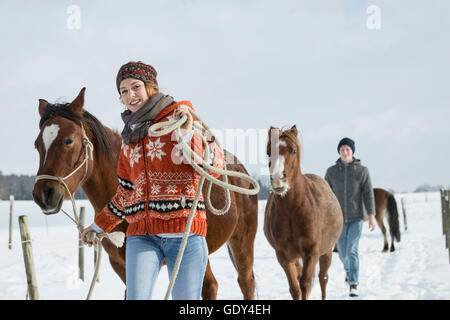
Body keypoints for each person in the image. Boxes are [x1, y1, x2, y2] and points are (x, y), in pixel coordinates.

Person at [81, 61, 224, 300]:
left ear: (150, 87)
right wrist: (98, 226)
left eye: (135, 87)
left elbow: (216, 165)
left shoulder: (182, 119)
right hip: (142, 236)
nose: (130, 95)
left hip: (184, 233)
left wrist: (188, 135)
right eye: (123, 91)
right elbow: (126, 192)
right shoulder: (130, 139)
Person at [325, 137, 376, 297]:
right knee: (342, 252)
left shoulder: (362, 171)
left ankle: (353, 283)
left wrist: (372, 215)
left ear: (352, 151)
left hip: (356, 217)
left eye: (347, 149)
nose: (345, 152)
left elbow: (368, 194)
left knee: (352, 250)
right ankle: (348, 269)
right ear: (339, 152)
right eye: (342, 149)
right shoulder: (331, 171)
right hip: (337, 219)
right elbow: (325, 195)